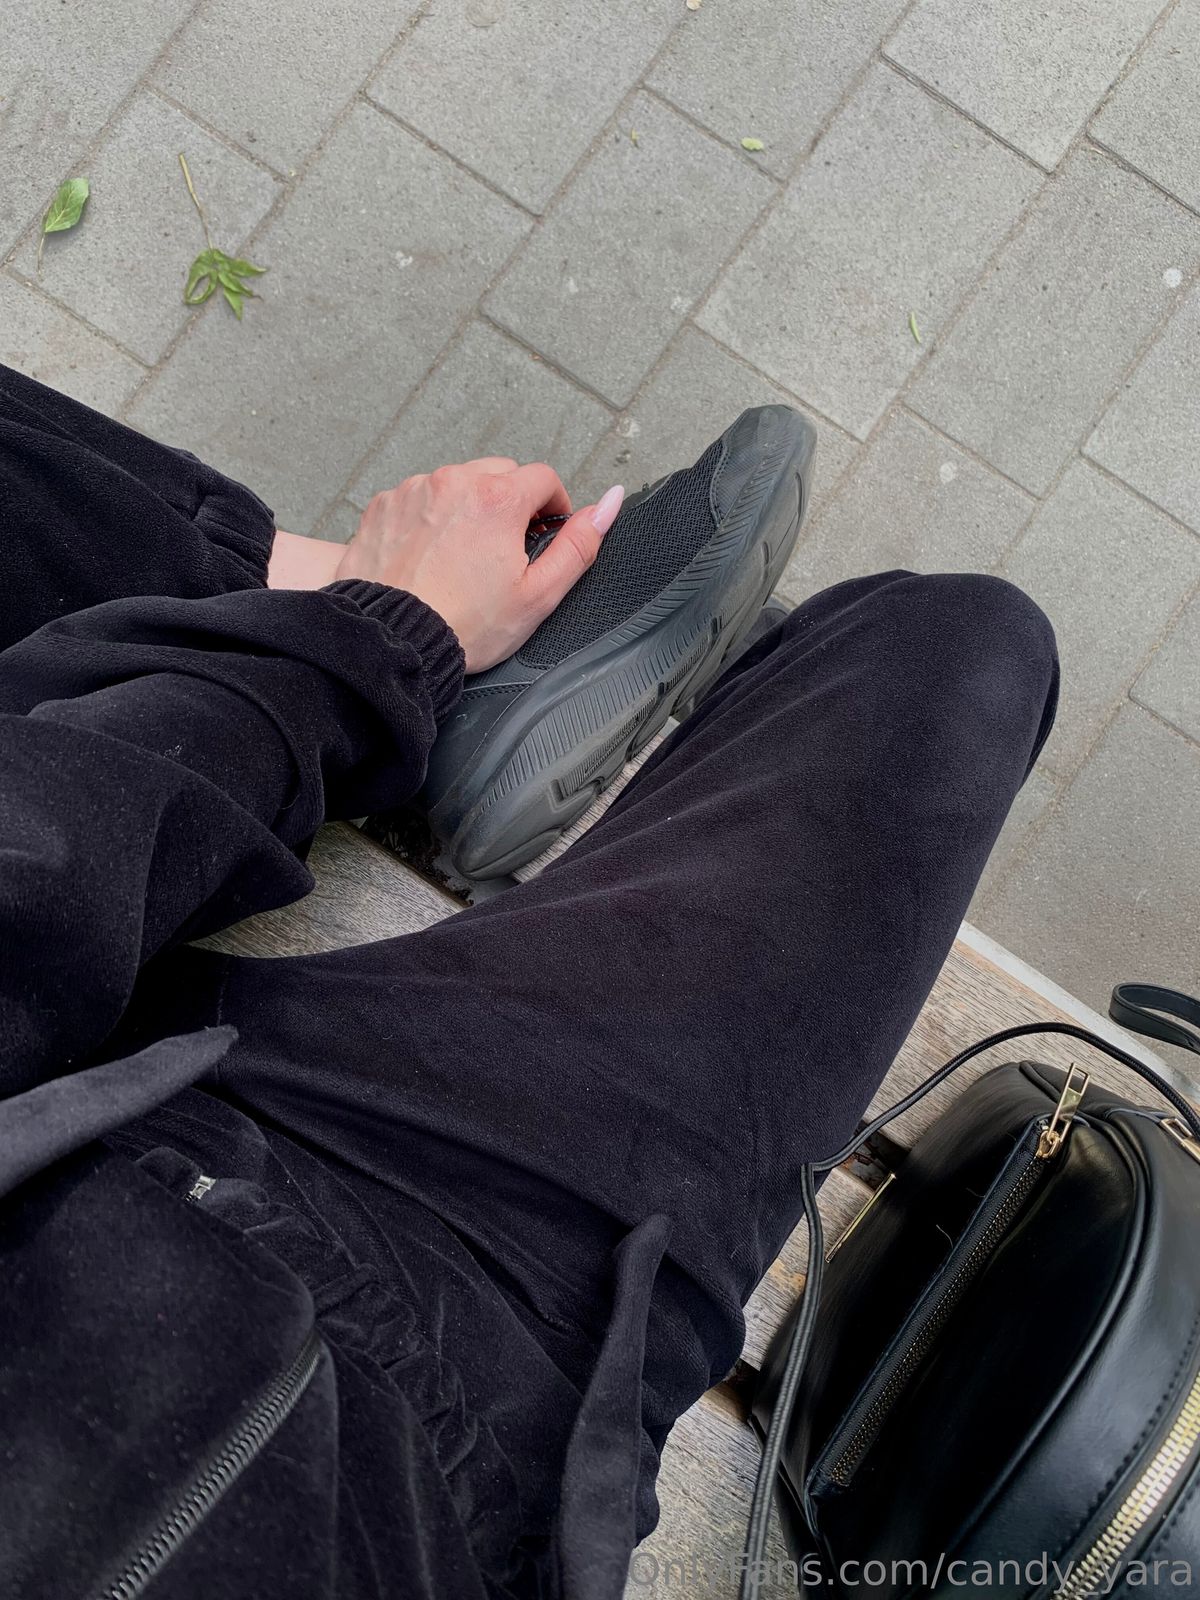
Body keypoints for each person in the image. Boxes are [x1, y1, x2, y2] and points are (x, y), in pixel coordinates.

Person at [0, 364, 1058, 1600]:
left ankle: (331, 603)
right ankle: (360, 623)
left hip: (68, 1164)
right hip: (472, 1353)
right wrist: (375, 641)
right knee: (956, 655)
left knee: (958, 656)